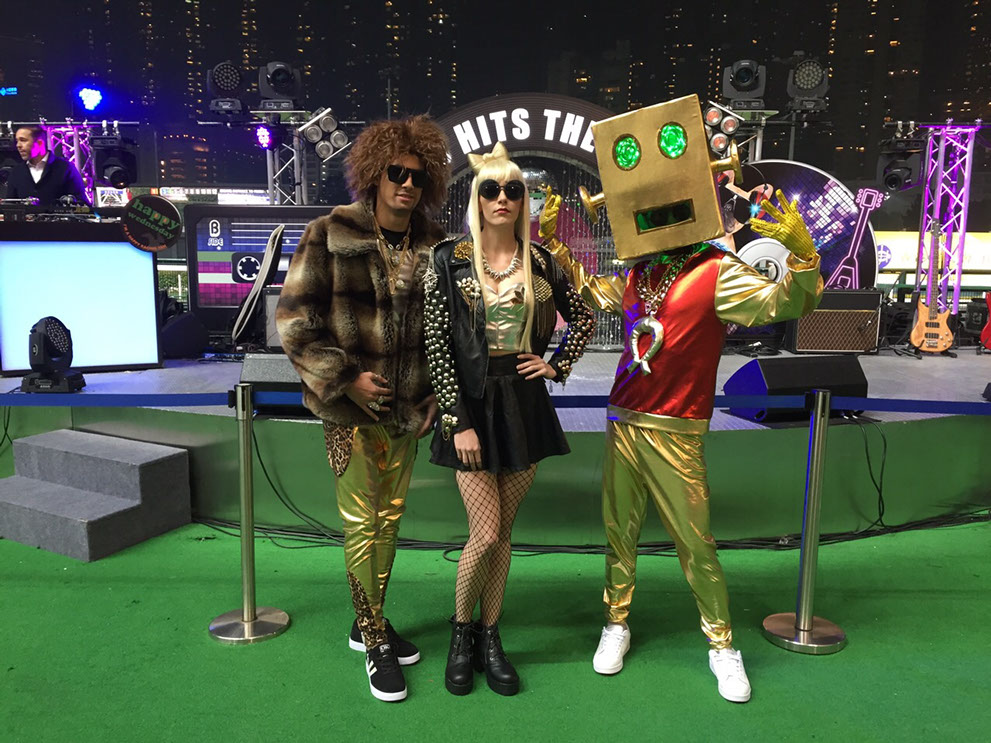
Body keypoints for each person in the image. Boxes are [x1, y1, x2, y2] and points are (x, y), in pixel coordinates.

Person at [539, 95, 823, 703]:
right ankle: (616, 623)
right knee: (619, 533)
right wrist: (556, 246)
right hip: (624, 420)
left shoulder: (718, 271)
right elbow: (591, 292)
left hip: (678, 429)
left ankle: (722, 645)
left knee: (696, 543)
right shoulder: (641, 273)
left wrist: (803, 255)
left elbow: (790, 302)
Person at [275, 115, 451, 703]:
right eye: (397, 173)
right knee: (362, 523)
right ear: (375, 174)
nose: (407, 185)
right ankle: (374, 636)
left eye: (418, 177)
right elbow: (294, 321)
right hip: (349, 416)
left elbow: (447, 330)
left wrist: (433, 394)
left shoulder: (435, 246)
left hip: (406, 414)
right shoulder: (330, 233)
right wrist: (346, 380)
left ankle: (367, 618)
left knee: (390, 519)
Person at [423, 142, 596, 696]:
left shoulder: (540, 261)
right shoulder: (448, 259)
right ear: (477, 199)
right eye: (491, 189)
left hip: (523, 403)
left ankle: (490, 637)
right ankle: (461, 633)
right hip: (470, 405)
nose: (503, 198)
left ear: (524, 200)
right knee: (487, 531)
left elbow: (585, 317)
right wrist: (457, 419)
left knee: (504, 535)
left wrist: (556, 365)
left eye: (514, 190)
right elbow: (436, 344)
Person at [4, 125, 90, 207]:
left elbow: (81, 203)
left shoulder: (65, 168)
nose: (18, 145)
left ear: (40, 143)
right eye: (17, 141)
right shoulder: (16, 172)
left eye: (23, 140)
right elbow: (10, 206)